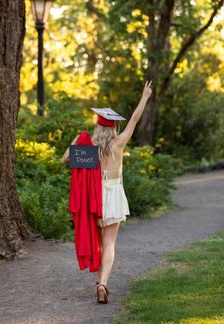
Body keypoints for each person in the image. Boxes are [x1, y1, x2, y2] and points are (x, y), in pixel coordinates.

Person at [61, 80, 153, 303]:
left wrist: (76, 141)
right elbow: (133, 119)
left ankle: (98, 282)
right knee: (110, 243)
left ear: (98, 126)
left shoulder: (88, 146)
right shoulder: (118, 143)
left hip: (94, 196)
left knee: (98, 243)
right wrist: (144, 97)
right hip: (113, 195)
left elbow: (65, 159)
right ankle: (103, 284)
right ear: (113, 127)